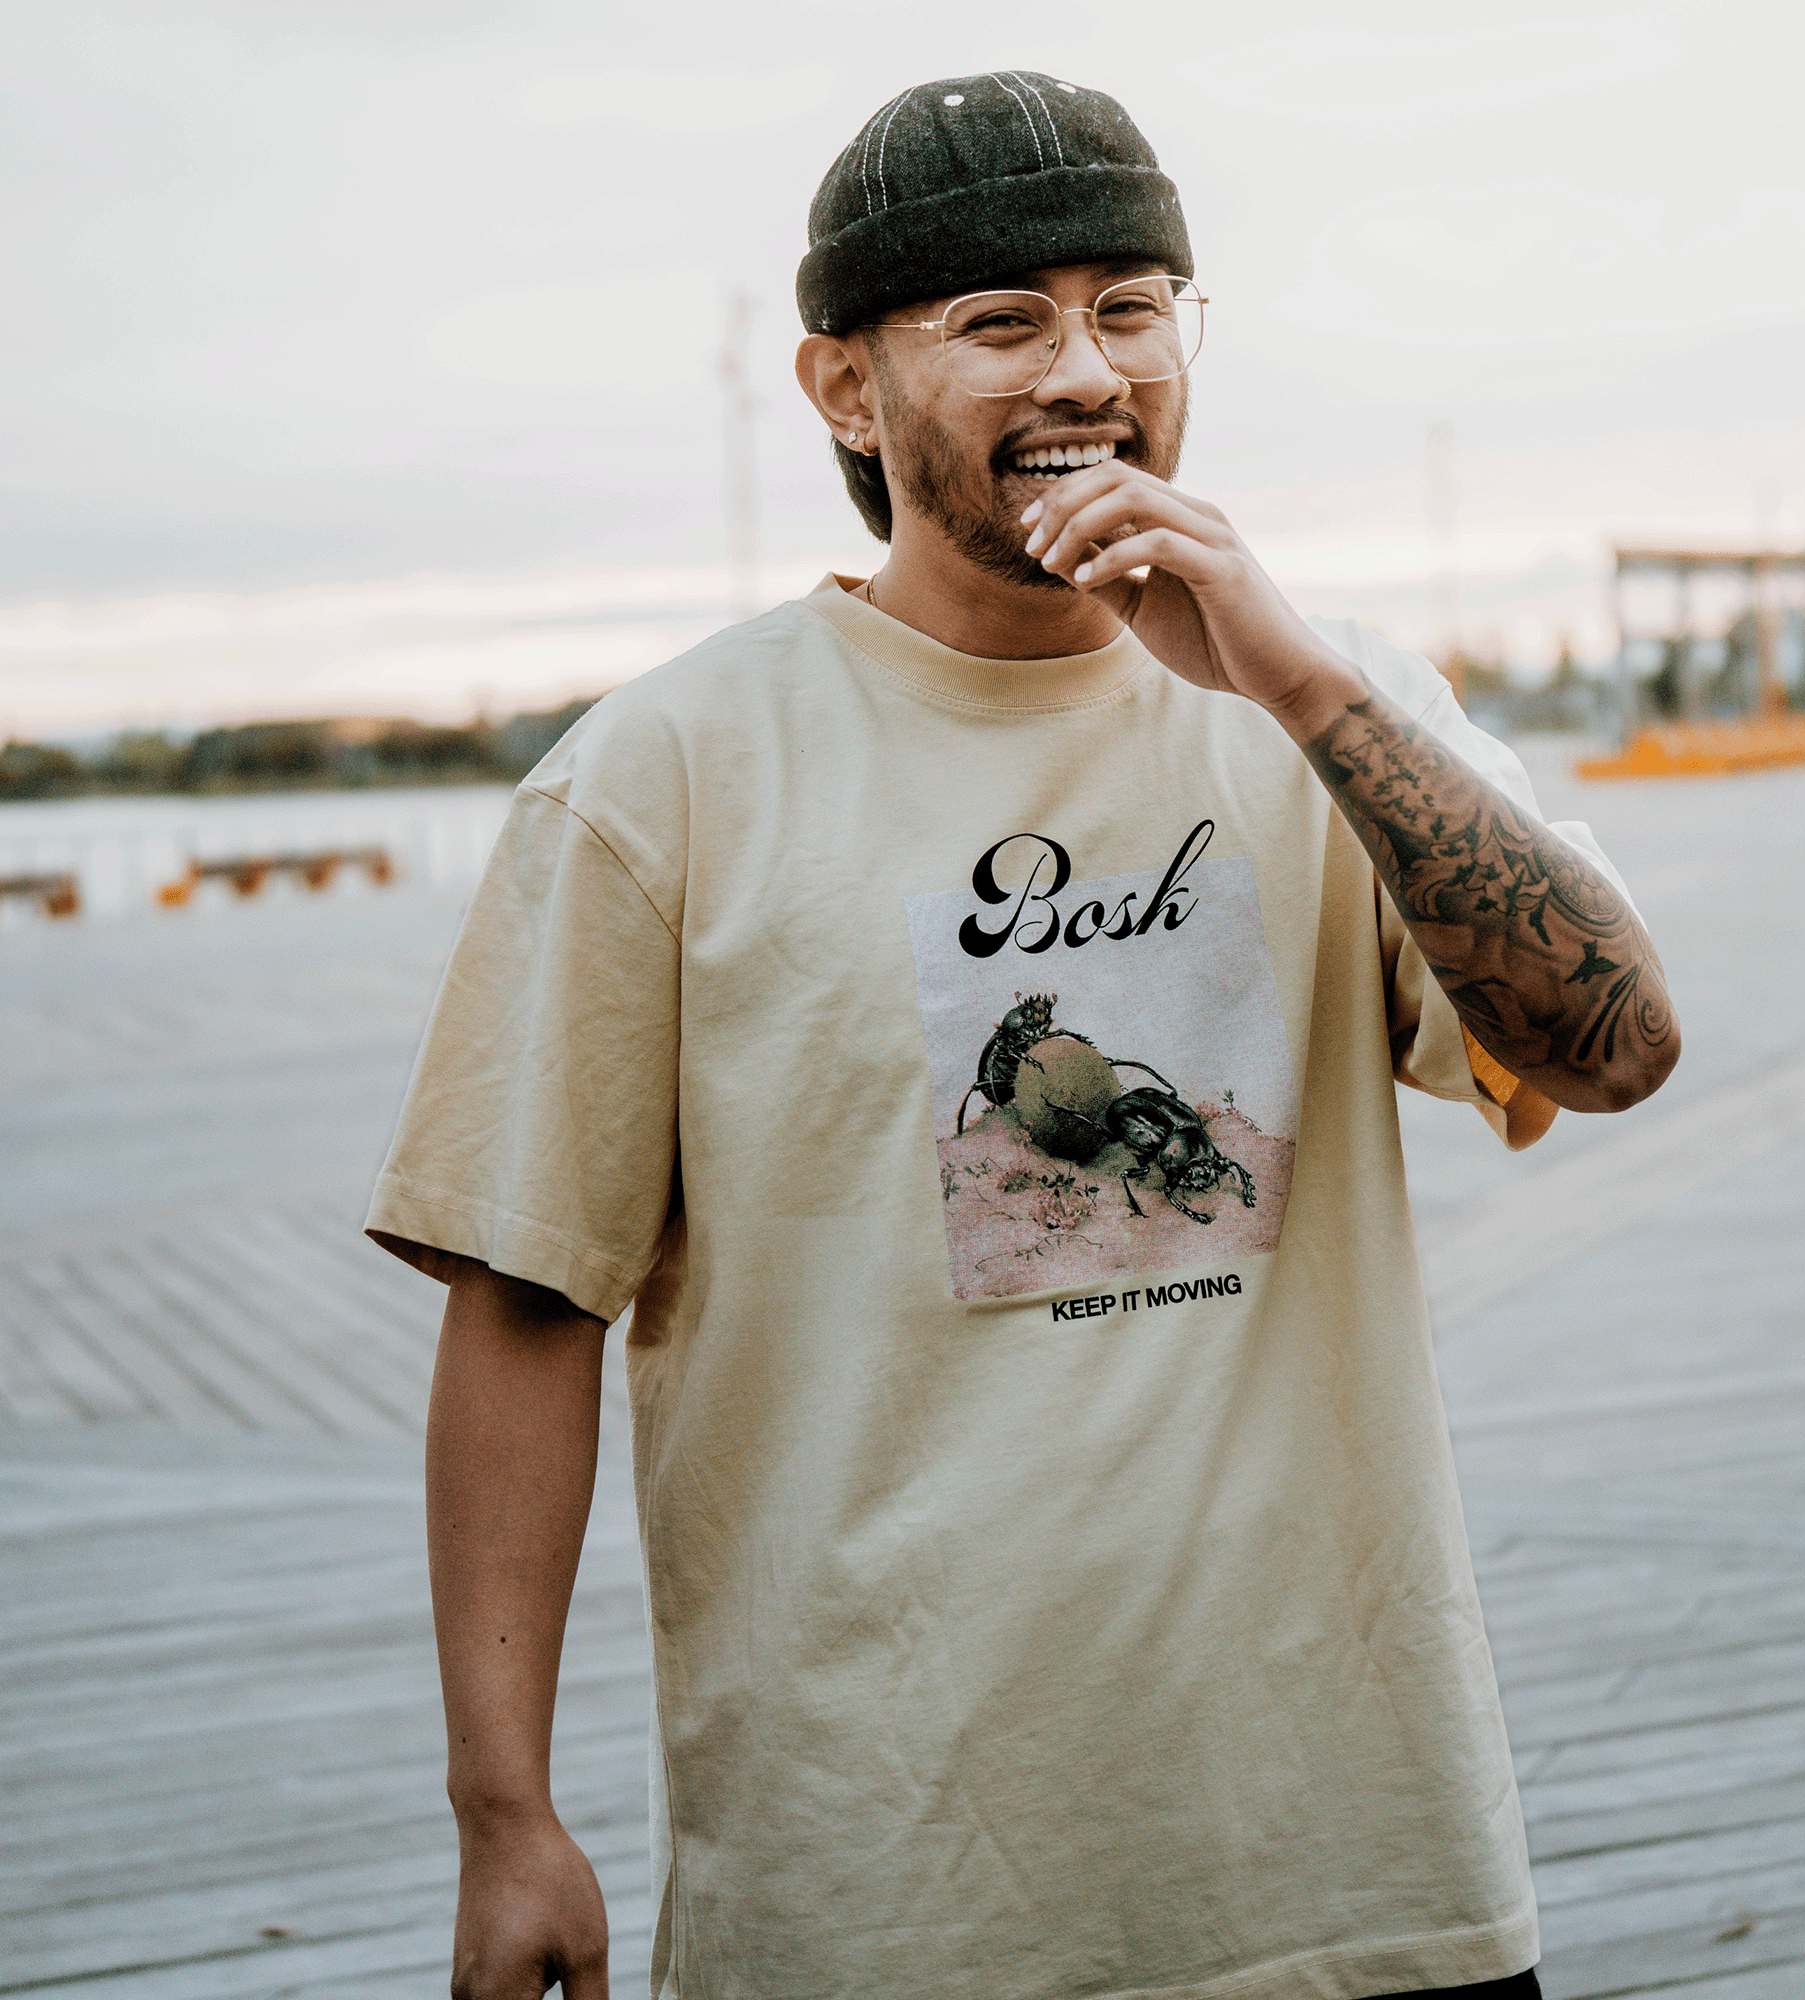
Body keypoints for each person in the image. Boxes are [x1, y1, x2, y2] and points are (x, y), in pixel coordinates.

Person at [369, 71, 1679, 2000]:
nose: (1088, 369)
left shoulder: (1341, 706)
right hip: (882, 1892)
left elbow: (1617, 1044)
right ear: (841, 387)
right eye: (1002, 321)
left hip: (1357, 1872)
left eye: (1133, 306)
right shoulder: (664, 777)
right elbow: (522, 1309)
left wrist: (1296, 681)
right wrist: (506, 1818)